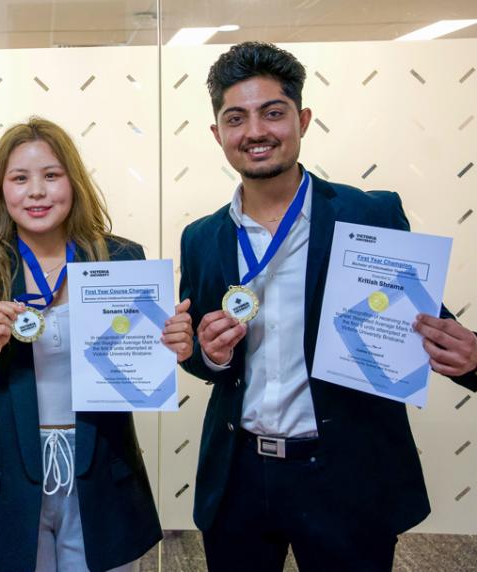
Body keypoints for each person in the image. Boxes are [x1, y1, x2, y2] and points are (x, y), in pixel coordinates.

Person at [179, 42, 477, 572]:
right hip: (240, 476)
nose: (255, 131)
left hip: (344, 475)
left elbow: (419, 320)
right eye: (236, 118)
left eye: (273, 112)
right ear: (217, 133)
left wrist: (473, 359)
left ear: (303, 119)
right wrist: (210, 355)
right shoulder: (203, 238)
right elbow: (206, 358)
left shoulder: (370, 213)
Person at [0, 117, 192, 572]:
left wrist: (173, 344)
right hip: (6, 481)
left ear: (73, 182)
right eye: (20, 178)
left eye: (51, 175)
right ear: (2, 190)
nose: (36, 191)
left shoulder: (120, 258)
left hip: (101, 477)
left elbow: (144, 368)